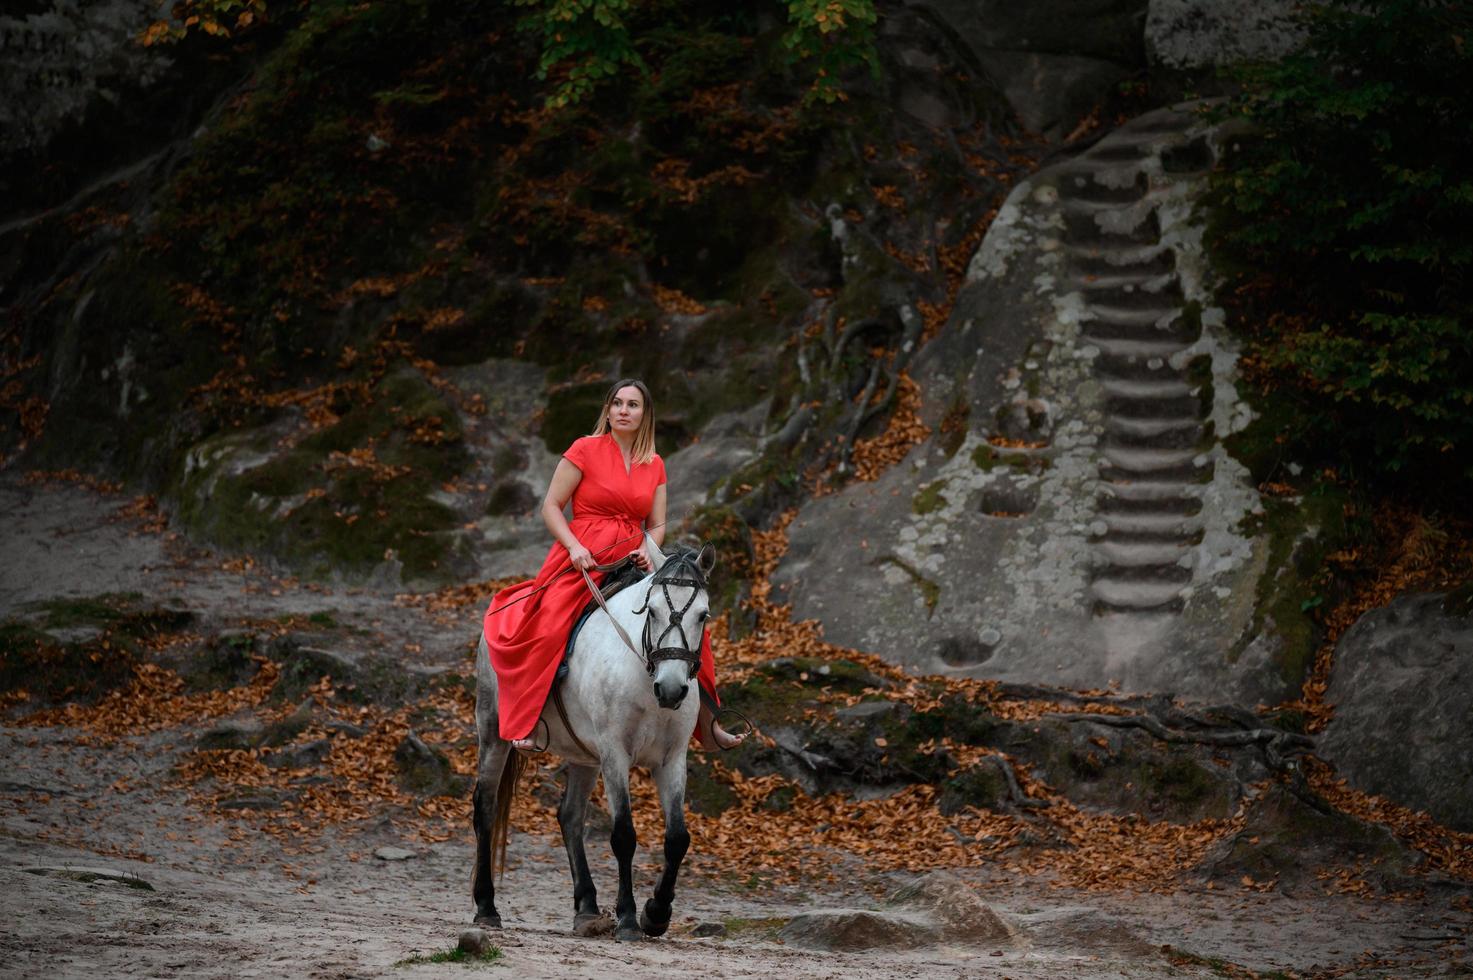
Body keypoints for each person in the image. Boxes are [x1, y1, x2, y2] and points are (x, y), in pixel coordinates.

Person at [482, 378, 745, 753]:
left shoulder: (654, 464)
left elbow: (656, 522)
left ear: (645, 414)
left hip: (634, 559)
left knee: (685, 623)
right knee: (549, 622)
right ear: (607, 410)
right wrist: (573, 547)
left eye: (633, 405)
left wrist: (646, 546)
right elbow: (551, 507)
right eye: (617, 403)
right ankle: (531, 720)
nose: (624, 410)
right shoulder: (584, 449)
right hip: (583, 561)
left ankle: (707, 722)